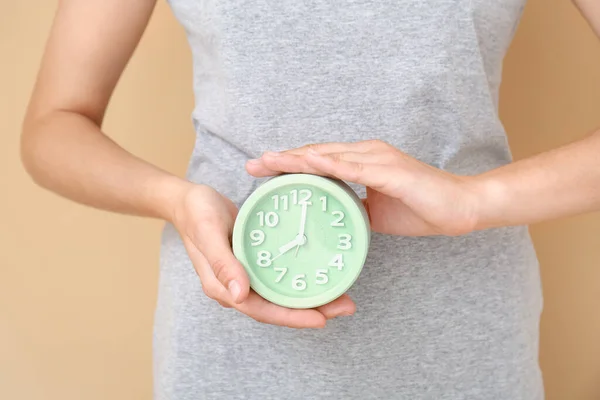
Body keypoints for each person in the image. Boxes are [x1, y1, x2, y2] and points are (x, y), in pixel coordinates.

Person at [19, 0, 600, 399]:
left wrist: (476, 199)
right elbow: (54, 124)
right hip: (234, 330)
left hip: (460, 333)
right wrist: (176, 200)